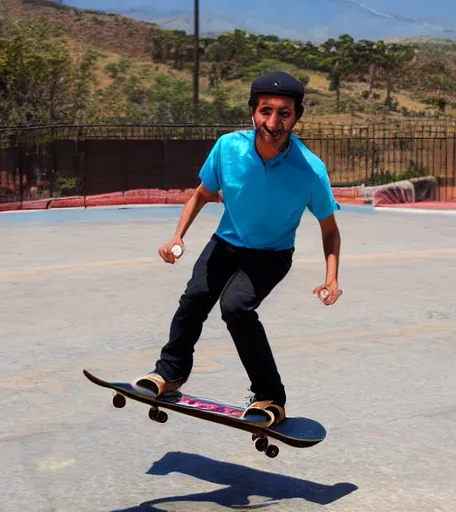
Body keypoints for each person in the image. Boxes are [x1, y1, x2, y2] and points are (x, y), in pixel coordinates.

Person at [133, 71, 342, 426]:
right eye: (265, 111)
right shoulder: (228, 148)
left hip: (271, 255)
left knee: (236, 308)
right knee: (195, 297)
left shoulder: (310, 171)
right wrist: (177, 236)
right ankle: (169, 373)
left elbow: (330, 229)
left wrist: (331, 278)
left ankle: (270, 397)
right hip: (225, 243)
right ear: (252, 111)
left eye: (284, 113)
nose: (273, 122)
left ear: (297, 116)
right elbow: (201, 193)